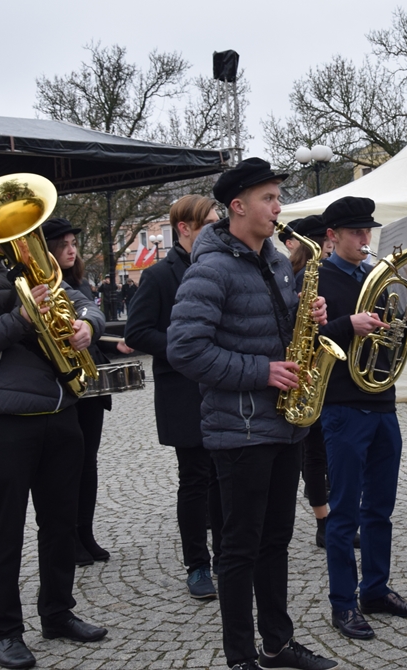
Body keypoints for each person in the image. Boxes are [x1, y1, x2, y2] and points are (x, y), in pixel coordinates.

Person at [167, 158, 337, 670]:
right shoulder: (211, 268)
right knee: (239, 549)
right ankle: (240, 656)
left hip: (285, 424)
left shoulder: (278, 261)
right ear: (238, 206)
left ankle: (277, 644)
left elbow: (276, 332)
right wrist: (260, 371)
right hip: (240, 429)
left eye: (278, 197)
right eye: (269, 198)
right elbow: (185, 350)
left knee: (275, 541)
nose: (278, 207)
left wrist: (309, 316)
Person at [0, 198, 108, 670]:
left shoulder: (33, 263)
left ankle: (58, 612)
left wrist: (88, 325)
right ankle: (5, 632)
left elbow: (82, 301)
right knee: (5, 530)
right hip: (1, 418)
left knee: (60, 523)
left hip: (59, 409)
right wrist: (21, 319)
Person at [314, 196, 407, 640]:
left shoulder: (376, 277)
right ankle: (343, 603)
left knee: (380, 507)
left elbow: (391, 335)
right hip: (342, 406)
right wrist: (348, 324)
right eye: (356, 232)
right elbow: (304, 339)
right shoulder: (317, 280)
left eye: (368, 231)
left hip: (383, 403)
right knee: (344, 513)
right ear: (332, 236)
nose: (365, 239)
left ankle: (375, 589)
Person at [125, 194, 225, 600]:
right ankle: (197, 564)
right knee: (195, 480)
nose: (218, 230)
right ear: (184, 228)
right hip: (182, 392)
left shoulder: (222, 265)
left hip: (221, 386)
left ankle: (228, 558)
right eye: (210, 224)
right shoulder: (158, 276)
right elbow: (137, 332)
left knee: (223, 479)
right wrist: (186, 346)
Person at [43, 217, 133, 567]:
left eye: (73, 244)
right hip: (62, 386)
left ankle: (85, 532)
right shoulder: (43, 285)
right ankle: (69, 538)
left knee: (88, 463)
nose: (71, 250)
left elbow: (89, 335)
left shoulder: (79, 283)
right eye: (62, 245)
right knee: (67, 466)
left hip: (90, 387)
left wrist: (111, 345)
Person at [283, 214, 341, 549]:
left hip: (318, 370)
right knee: (315, 452)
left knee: (317, 453)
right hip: (308, 370)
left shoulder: (311, 271)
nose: (330, 246)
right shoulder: (302, 275)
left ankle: (327, 518)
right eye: (327, 242)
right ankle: (323, 522)